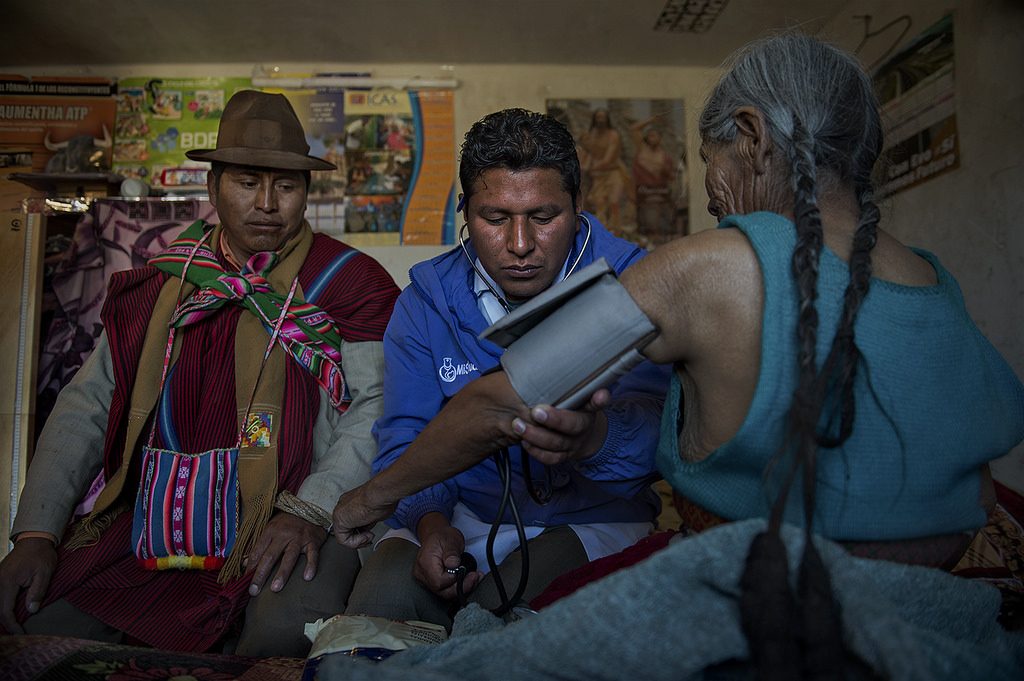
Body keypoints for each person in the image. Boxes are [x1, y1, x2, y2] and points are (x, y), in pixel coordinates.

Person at [332, 34, 1023, 675]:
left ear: (749, 137)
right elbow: (980, 483)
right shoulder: (934, 278)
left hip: (767, 603)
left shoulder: (701, 268)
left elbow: (497, 402)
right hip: (924, 601)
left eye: (707, 162)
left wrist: (370, 497)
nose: (715, 194)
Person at [0, 90, 400, 656]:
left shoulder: (347, 282)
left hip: (291, 516)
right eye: (245, 182)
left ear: (307, 193)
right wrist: (36, 533)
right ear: (212, 188)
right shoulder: (161, 284)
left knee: (276, 637)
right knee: (38, 625)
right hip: (152, 518)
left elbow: (376, 405)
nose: (266, 203)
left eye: (286, 186)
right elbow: (86, 406)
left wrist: (311, 508)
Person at [341, 108, 669, 628]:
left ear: (579, 206)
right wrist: (430, 523)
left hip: (595, 517)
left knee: (499, 620)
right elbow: (405, 434)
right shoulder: (424, 303)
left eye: (544, 217)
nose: (520, 245)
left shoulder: (639, 283)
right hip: (462, 516)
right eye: (494, 219)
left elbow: (666, 434)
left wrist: (592, 439)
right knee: (379, 609)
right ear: (464, 213)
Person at [578, 108, 628, 228]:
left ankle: (617, 230)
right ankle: (603, 232)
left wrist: (596, 166)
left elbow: (609, 158)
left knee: (614, 202)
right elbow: (587, 154)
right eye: (598, 117)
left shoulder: (613, 135)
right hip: (597, 176)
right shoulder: (591, 134)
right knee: (599, 203)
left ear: (607, 119)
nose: (600, 120)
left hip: (613, 172)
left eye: (603, 117)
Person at [629, 117, 677, 242]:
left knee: (659, 223)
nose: (652, 138)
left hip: (659, 193)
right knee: (644, 222)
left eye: (655, 135)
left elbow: (672, 177)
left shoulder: (664, 157)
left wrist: (665, 170)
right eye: (650, 135)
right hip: (643, 193)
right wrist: (651, 120)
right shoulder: (641, 149)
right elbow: (634, 129)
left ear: (660, 138)